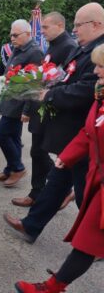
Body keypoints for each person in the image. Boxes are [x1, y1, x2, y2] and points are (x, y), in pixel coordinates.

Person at [4, 2, 104, 242]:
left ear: (97, 24)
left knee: (85, 192)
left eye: (79, 25)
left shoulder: (100, 52)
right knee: (58, 182)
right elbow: (67, 76)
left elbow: (86, 89)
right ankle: (32, 226)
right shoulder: (83, 48)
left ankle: (98, 240)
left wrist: (51, 94)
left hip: (86, 133)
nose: (75, 29)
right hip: (72, 132)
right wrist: (48, 86)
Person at [14, 43, 104, 293]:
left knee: (89, 240)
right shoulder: (101, 94)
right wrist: (68, 155)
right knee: (88, 241)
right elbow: (89, 132)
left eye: (101, 66)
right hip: (99, 180)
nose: (95, 71)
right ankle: (53, 287)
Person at [11, 12, 77, 207]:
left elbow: (65, 80)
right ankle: (37, 192)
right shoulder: (53, 45)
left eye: (46, 28)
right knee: (36, 151)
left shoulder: (69, 47)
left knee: (43, 152)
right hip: (42, 107)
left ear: (59, 25)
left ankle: (61, 189)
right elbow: (44, 77)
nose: (42, 31)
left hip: (53, 109)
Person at [0, 19, 43, 187]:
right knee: (13, 136)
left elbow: (35, 84)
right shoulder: (18, 47)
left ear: (28, 34)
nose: (11, 38)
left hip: (19, 103)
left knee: (1, 133)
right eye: (11, 34)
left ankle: (18, 168)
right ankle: (10, 169)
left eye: (15, 35)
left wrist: (27, 110)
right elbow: (9, 70)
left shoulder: (34, 53)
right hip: (10, 99)